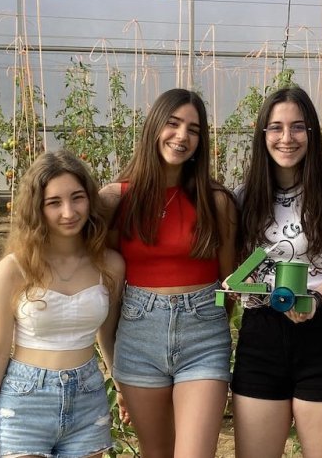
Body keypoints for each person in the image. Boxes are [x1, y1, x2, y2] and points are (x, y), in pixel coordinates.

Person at [100, 88, 236, 458]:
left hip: (203, 337)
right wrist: (114, 367)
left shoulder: (217, 201)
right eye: (173, 124)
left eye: (193, 129)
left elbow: (228, 288)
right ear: (154, 128)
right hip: (138, 337)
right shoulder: (115, 199)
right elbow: (106, 294)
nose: (182, 136)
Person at [231, 86, 322, 458]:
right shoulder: (244, 198)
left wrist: (316, 298)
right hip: (261, 337)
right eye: (276, 128)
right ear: (263, 135)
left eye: (298, 127)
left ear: (312, 133)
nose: (286, 138)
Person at [0, 150, 125, 458]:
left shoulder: (110, 265)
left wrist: (120, 387)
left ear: (90, 200)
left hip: (88, 398)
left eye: (77, 198)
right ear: (37, 209)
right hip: (25, 400)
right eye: (54, 202)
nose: (68, 212)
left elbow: (107, 336)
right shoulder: (14, 269)